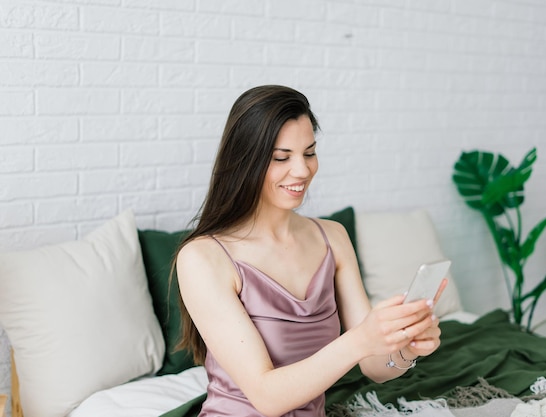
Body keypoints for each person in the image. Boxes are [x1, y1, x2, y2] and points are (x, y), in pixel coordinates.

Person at [174, 85, 444, 417]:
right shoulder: (203, 258)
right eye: (281, 158)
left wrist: (405, 346)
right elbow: (267, 397)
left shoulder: (333, 237)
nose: (302, 171)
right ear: (244, 161)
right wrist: (360, 338)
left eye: (310, 152)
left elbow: (375, 366)